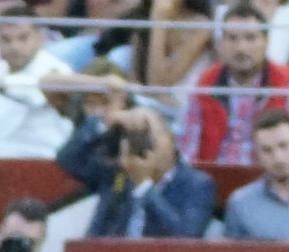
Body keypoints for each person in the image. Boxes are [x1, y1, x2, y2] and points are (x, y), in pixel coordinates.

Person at [58, 102, 217, 235]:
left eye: (148, 135)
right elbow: (69, 159)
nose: (143, 144)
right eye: (134, 136)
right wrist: (105, 123)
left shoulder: (197, 184)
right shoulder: (118, 173)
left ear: (171, 139)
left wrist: (144, 186)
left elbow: (185, 238)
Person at [0, 4, 76, 157]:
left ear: (40, 38)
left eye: (23, 38)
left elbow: (33, 94)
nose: (14, 46)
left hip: (43, 161)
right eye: (6, 40)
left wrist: (0, 84)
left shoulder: (56, 70)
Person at [181, 4, 289, 164]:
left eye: (250, 38)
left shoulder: (285, 83)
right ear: (220, 44)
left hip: (271, 181)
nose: (241, 48)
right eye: (232, 38)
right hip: (214, 180)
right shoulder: (203, 84)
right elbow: (188, 151)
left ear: (266, 42)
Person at [223, 104, 289, 234]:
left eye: (284, 146)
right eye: (267, 150)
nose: (278, 158)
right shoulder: (241, 204)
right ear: (257, 155)